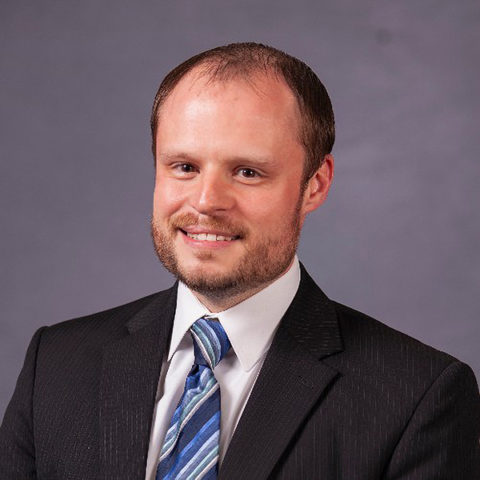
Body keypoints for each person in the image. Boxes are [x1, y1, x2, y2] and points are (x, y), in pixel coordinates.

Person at [1, 42, 479, 480]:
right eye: (184, 167)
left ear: (315, 185)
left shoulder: (417, 398)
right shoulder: (56, 365)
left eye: (247, 172)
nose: (206, 201)